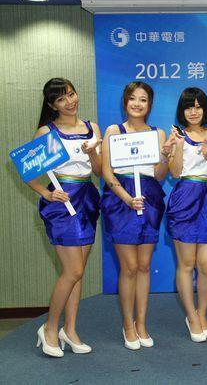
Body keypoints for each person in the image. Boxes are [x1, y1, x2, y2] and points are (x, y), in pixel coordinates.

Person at [29, 78, 102, 357]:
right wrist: (46, 194)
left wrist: (92, 152)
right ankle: (49, 328)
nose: (70, 101)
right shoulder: (47, 132)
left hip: (87, 198)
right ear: (52, 105)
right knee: (72, 271)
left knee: (78, 272)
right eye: (61, 99)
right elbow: (29, 171)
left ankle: (69, 330)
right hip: (62, 202)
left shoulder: (91, 128)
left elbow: (98, 170)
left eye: (71, 94)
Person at [101, 81, 169, 350]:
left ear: (149, 105)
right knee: (128, 267)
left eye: (143, 99)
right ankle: (128, 325)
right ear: (125, 102)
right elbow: (106, 171)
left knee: (144, 266)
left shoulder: (158, 133)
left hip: (149, 198)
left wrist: (166, 156)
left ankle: (141, 323)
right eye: (132, 98)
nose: (137, 104)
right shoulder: (113, 131)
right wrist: (126, 198)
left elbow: (160, 175)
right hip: (120, 200)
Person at [164, 87, 207, 343]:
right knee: (186, 264)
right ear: (182, 110)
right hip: (185, 198)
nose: (194, 111)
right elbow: (175, 173)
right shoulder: (178, 135)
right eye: (189, 107)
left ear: (205, 109)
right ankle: (191, 316)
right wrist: (176, 146)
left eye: (198, 106)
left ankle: (202, 313)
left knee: (206, 265)